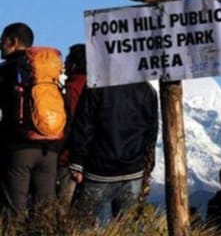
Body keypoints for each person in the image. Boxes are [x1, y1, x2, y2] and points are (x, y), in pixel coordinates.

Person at [68, 80, 158, 224]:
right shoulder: (147, 89)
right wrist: (147, 166)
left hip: (99, 170)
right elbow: (151, 133)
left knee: (86, 225)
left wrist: (77, 160)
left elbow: (84, 125)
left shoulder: (96, 83)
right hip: (133, 170)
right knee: (127, 227)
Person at [0, 22, 62, 218]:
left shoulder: (7, 70)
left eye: (2, 41)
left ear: (13, 41)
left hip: (19, 148)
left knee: (14, 210)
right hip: (49, 148)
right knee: (45, 211)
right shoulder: (46, 72)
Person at [57, 43, 87, 208]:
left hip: (70, 157)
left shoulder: (73, 88)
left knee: (64, 204)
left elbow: (73, 123)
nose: (64, 66)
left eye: (67, 61)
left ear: (74, 64)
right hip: (93, 158)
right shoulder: (95, 85)